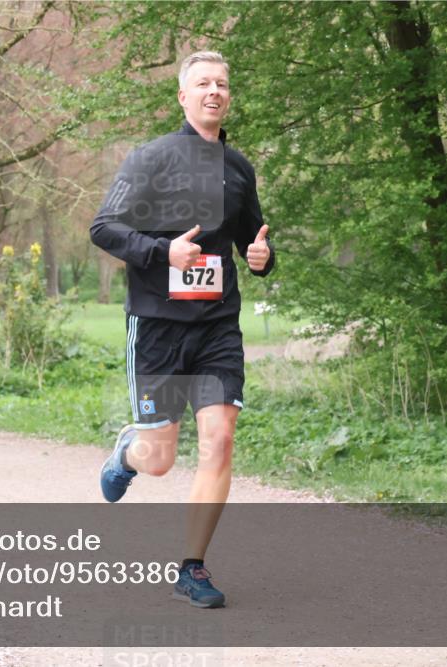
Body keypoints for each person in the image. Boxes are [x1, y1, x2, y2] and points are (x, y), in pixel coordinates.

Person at [90, 51, 275, 609]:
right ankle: (129, 452)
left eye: (222, 83)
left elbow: (252, 242)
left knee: (219, 441)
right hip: (159, 327)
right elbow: (103, 227)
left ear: (228, 95)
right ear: (183, 96)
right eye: (203, 83)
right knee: (161, 458)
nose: (213, 91)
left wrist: (264, 257)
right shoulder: (150, 159)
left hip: (217, 325)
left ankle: (191, 567)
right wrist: (161, 252)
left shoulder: (239, 167)